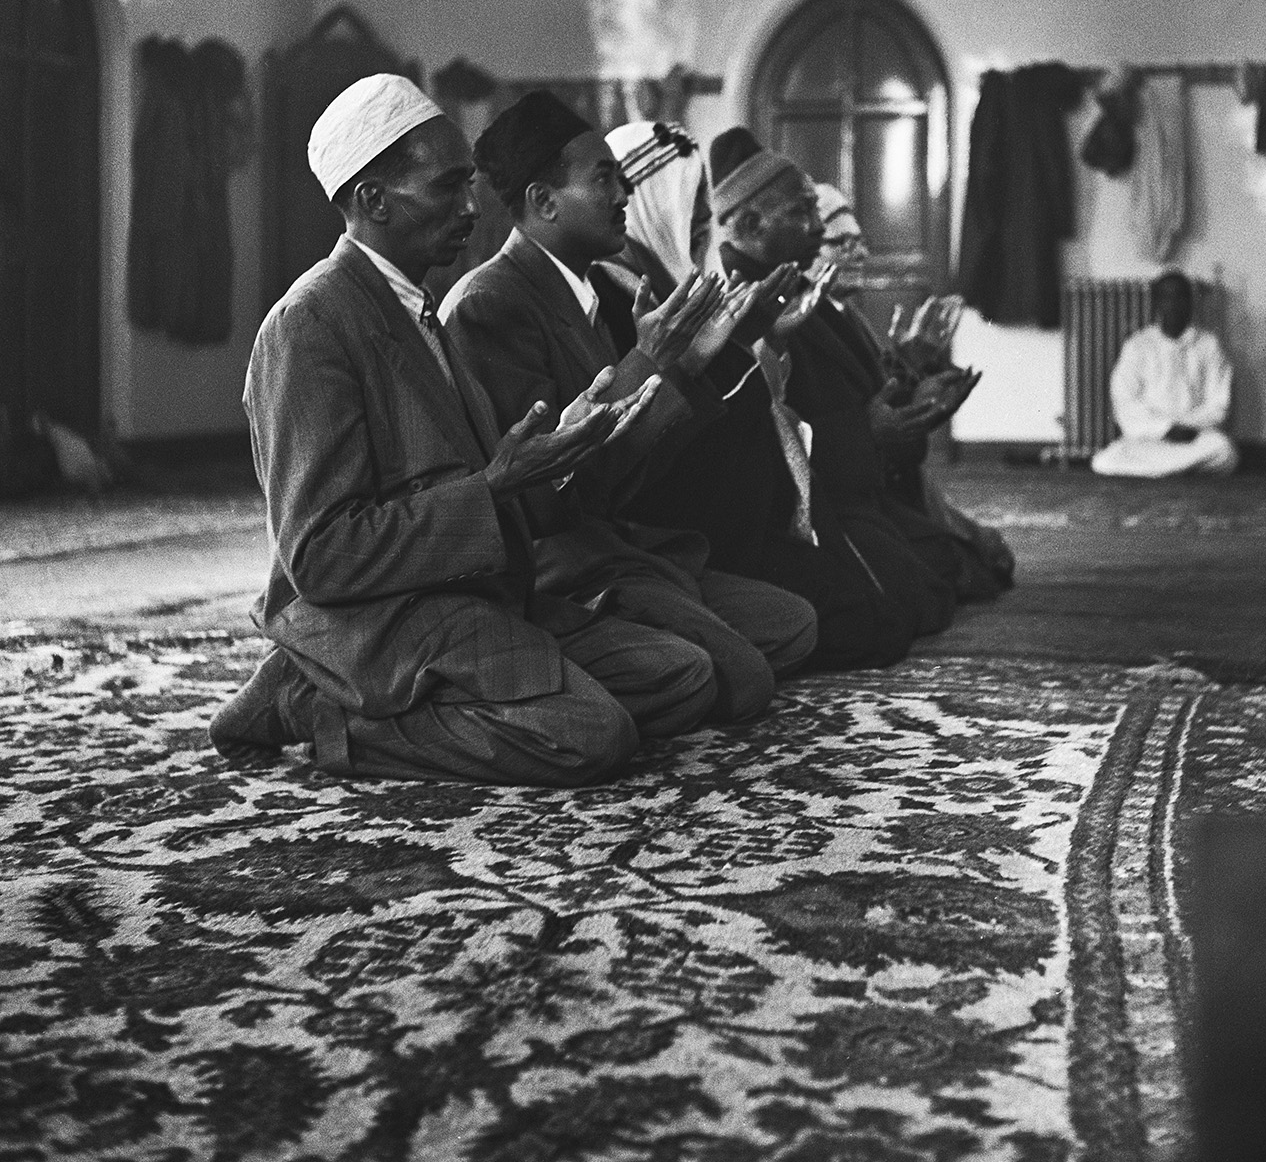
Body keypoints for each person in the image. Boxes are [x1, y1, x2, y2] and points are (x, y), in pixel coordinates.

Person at [209, 73, 718, 784]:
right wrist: (493, 487)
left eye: (469, 184)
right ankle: (316, 703)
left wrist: (558, 449)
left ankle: (444, 699)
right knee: (591, 734)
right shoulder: (310, 323)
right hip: (377, 619)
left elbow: (489, 482)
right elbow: (321, 556)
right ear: (373, 200)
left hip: (471, 593)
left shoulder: (420, 307)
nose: (473, 206)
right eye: (448, 186)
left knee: (685, 676)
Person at [441, 92, 818, 721]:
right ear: (543, 201)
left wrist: (687, 364)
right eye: (604, 179)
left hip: (618, 547)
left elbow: (633, 471)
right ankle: (543, 678)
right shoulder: (492, 304)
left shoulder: (585, 291)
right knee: (735, 678)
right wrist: (651, 363)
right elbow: (539, 493)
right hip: (557, 568)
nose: (622, 196)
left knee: (793, 623)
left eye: (621, 179)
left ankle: (644, 652)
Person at [604, 122, 923, 670]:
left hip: (754, 509)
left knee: (906, 595)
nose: (710, 228)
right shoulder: (629, 295)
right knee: (869, 616)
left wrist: (765, 338)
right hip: (690, 532)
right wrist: (757, 340)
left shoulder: (708, 285)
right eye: (697, 215)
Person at [712, 129, 963, 640]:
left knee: (944, 577)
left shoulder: (794, 285)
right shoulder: (741, 293)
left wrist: (910, 385)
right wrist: (867, 431)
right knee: (893, 617)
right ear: (752, 223)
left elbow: (845, 393)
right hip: (790, 508)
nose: (814, 227)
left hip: (844, 483)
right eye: (802, 212)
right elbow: (763, 428)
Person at [810, 183, 1014, 598]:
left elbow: (878, 400)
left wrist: (919, 370)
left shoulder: (846, 315)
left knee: (986, 560)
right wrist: (911, 396)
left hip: (884, 482)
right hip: (845, 499)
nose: (860, 255)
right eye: (840, 243)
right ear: (806, 248)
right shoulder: (801, 323)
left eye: (860, 242)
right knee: (954, 571)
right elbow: (836, 432)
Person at [1090, 271, 1239, 477]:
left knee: (1224, 452)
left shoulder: (1209, 345)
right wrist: (1164, 429)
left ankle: (1157, 472)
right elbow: (1124, 400)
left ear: (1191, 302)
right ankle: (1181, 470)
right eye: (1167, 297)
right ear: (1156, 303)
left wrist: (1186, 428)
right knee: (1103, 461)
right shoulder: (1138, 345)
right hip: (1150, 437)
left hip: (1193, 437)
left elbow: (1219, 403)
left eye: (1181, 296)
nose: (1175, 304)